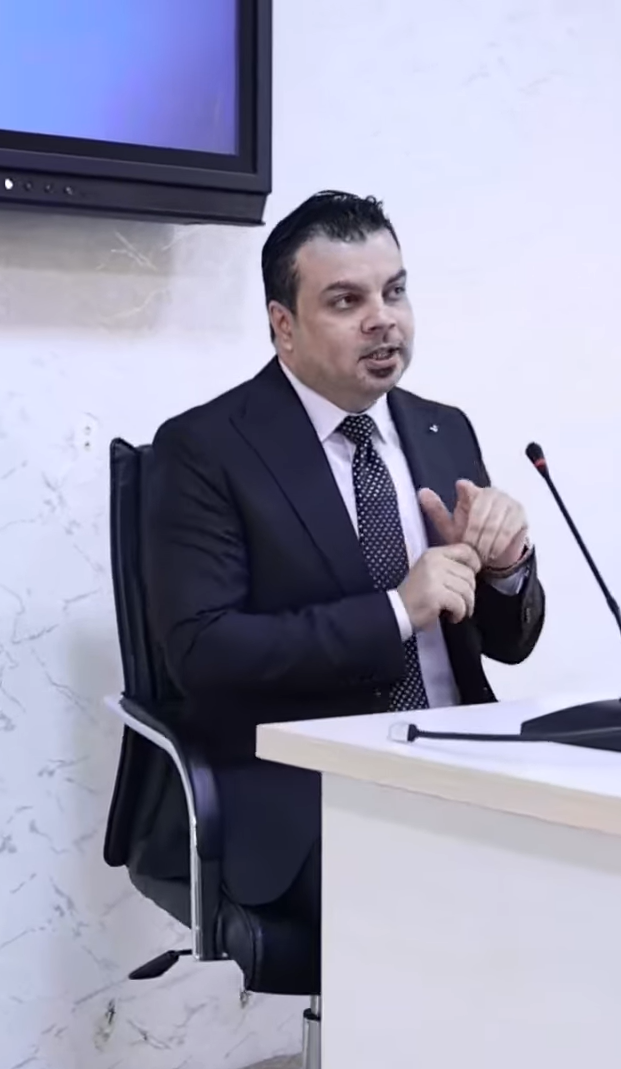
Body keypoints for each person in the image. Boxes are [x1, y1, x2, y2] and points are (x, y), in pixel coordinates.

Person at [141, 190, 547, 946]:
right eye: (346, 301)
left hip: (468, 767)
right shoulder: (206, 449)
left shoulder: (443, 429)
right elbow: (203, 653)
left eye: (395, 292)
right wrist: (397, 611)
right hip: (310, 795)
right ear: (283, 325)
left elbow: (509, 643)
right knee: (458, 917)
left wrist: (506, 568)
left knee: (612, 865)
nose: (383, 319)